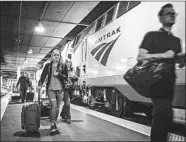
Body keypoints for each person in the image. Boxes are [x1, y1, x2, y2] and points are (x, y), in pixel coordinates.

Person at [137, 3, 185, 142]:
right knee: (163, 113)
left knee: (166, 116)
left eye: (173, 13)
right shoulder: (152, 36)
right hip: (156, 80)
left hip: (170, 81)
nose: (172, 14)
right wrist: (164, 55)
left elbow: (175, 60)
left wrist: (181, 59)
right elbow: (141, 56)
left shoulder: (177, 41)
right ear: (161, 17)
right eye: (168, 13)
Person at [38, 48, 68, 134]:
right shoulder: (48, 65)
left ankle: (54, 122)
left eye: (57, 55)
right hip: (51, 89)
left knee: (58, 107)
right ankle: (52, 124)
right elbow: (43, 76)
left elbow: (66, 77)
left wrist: (59, 74)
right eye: (54, 55)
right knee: (54, 106)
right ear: (52, 56)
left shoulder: (63, 66)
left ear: (60, 56)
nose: (56, 56)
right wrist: (40, 85)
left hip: (60, 90)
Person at [60, 59, 77, 124]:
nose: (68, 63)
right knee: (67, 103)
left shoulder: (73, 70)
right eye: (67, 62)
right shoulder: (63, 71)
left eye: (69, 62)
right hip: (65, 89)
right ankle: (68, 118)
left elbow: (76, 78)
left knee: (67, 103)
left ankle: (62, 113)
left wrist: (74, 78)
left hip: (72, 88)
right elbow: (61, 78)